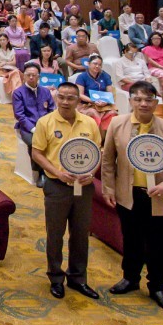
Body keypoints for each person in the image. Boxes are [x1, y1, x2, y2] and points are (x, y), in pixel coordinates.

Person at [102, 81, 163, 312]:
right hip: (128, 194)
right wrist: (108, 189)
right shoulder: (117, 124)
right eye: (138, 99)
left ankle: (157, 286)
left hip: (158, 197)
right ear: (130, 101)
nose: (143, 104)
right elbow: (108, 160)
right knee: (131, 238)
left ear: (155, 102)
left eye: (148, 100)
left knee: (157, 244)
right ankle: (130, 278)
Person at [31, 81, 102, 300]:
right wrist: (57, 173)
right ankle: (55, 278)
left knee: (81, 234)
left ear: (78, 100)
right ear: (55, 98)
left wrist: (91, 173)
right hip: (57, 186)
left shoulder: (89, 123)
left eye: (70, 98)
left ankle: (78, 278)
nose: (65, 102)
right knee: (55, 234)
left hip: (84, 187)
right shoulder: (45, 122)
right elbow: (37, 153)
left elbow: (97, 153)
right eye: (61, 97)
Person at [12, 62, 55, 153]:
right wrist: (34, 129)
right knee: (35, 144)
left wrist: (47, 126)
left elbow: (51, 110)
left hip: (46, 126)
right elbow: (19, 115)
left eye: (34, 75)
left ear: (38, 77)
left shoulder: (45, 91)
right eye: (28, 75)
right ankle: (35, 163)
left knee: (57, 141)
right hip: (28, 128)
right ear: (24, 76)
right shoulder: (18, 93)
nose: (31, 77)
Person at [74, 54, 116, 131]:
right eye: (95, 63)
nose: (97, 66)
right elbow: (80, 95)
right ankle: (96, 134)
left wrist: (106, 102)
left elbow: (110, 92)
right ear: (89, 64)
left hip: (103, 104)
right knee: (93, 112)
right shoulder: (82, 77)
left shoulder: (105, 75)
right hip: (87, 104)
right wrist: (93, 101)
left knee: (112, 113)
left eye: (99, 65)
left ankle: (108, 136)